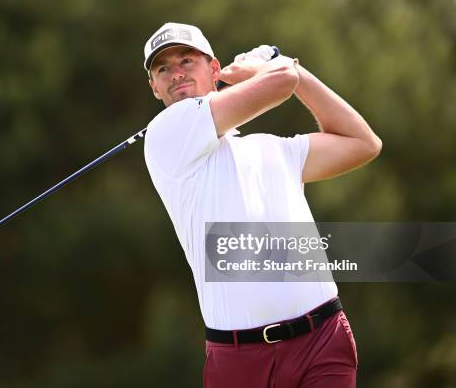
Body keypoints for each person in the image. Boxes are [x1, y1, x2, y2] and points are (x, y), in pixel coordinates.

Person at [142, 22, 382, 387]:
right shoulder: (165, 134)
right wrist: (276, 68)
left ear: (214, 69)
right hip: (239, 361)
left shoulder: (272, 148)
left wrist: (295, 71)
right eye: (163, 68)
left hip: (321, 339)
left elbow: (363, 142)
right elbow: (280, 82)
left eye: (187, 61)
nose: (176, 74)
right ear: (154, 87)